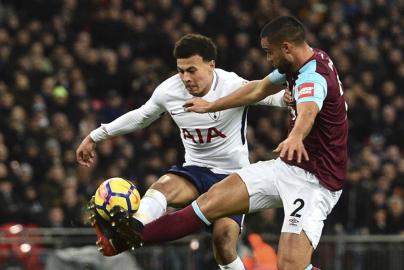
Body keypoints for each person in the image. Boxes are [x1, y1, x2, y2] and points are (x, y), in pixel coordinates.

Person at [109, 16, 348, 270]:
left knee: (290, 267)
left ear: (286, 47)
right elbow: (257, 90)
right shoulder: (305, 60)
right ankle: (134, 235)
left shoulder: (312, 77)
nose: (268, 59)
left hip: (315, 181)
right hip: (287, 167)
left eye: (269, 52)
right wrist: (211, 105)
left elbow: (308, 111)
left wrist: (296, 136)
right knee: (210, 202)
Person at [77, 33, 287, 269]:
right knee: (162, 188)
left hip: (233, 177)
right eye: (181, 70)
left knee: (224, 243)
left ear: (211, 65)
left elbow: (269, 97)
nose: (185, 78)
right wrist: (96, 136)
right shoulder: (169, 91)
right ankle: (133, 228)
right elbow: (141, 116)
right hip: (195, 170)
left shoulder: (232, 85)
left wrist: (290, 98)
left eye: (191, 70)